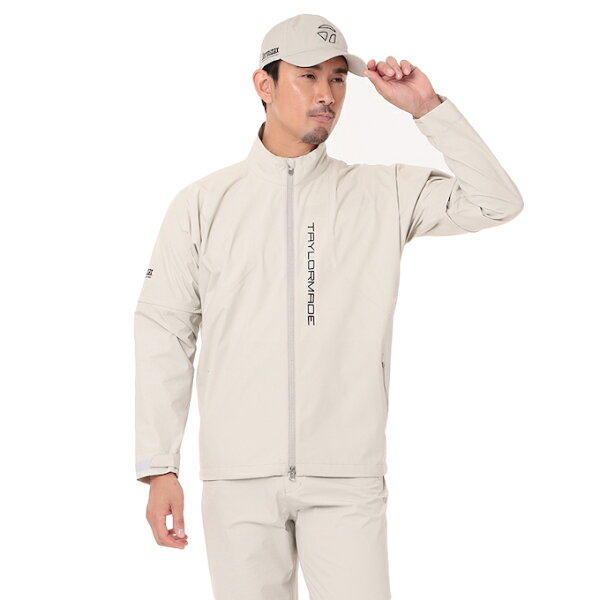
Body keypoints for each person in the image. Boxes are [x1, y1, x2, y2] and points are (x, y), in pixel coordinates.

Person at [134, 13, 523, 599]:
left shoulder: (385, 193)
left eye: (338, 78)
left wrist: (426, 107)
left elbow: (496, 202)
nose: (327, 95)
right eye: (309, 76)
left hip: (346, 476)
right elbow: (164, 330)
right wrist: (159, 465)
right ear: (264, 85)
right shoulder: (203, 204)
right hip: (238, 480)